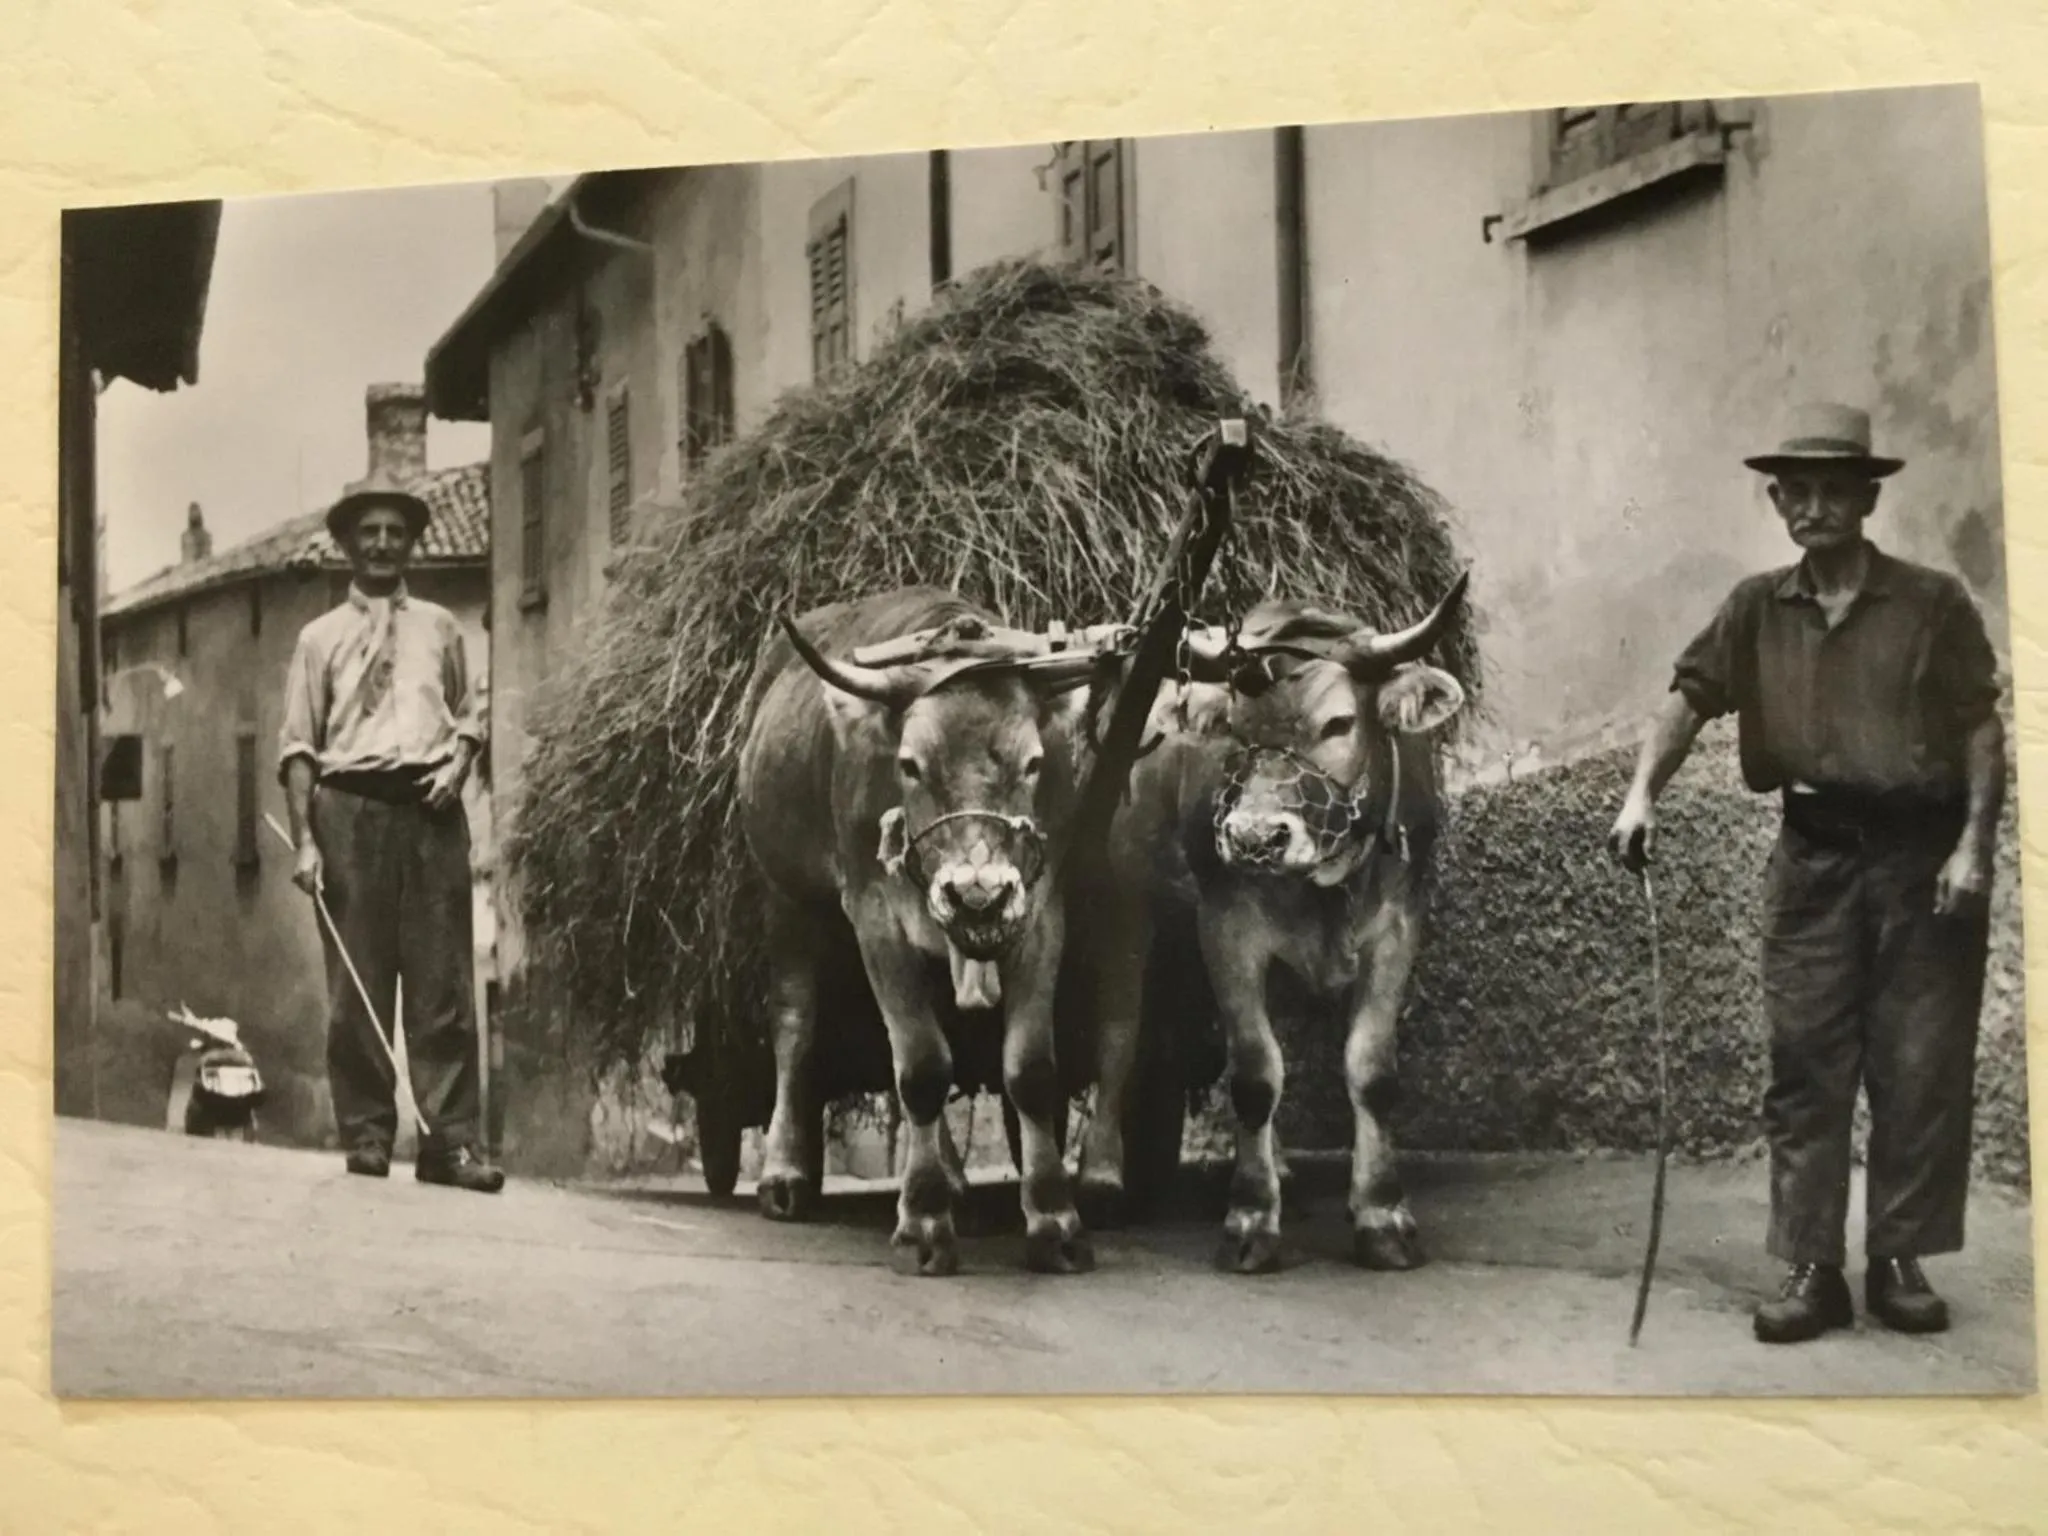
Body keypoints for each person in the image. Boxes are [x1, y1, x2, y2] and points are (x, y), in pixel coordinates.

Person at [1607, 402, 2003, 1344]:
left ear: (1868, 498)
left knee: (1917, 1067)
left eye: (1836, 489)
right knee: (1806, 1071)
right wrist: (1638, 796)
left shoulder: (1932, 603)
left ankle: (1900, 1260)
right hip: (1812, 861)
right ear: (1778, 501)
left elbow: (1981, 726)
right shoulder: (1755, 607)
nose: (1815, 506)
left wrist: (1974, 846)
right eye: (1798, 491)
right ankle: (1812, 1268)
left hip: (1921, 860)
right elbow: (1690, 697)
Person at [279, 465, 504, 1193]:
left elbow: (469, 714)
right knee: (358, 987)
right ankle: (369, 1133)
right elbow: (297, 749)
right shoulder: (318, 639)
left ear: (411, 544)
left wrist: (460, 766)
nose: (382, 544)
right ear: (347, 544)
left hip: (431, 814)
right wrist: (308, 840)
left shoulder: (441, 627)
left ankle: (449, 1147)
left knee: (443, 986)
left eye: (395, 533)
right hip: (349, 813)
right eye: (368, 532)